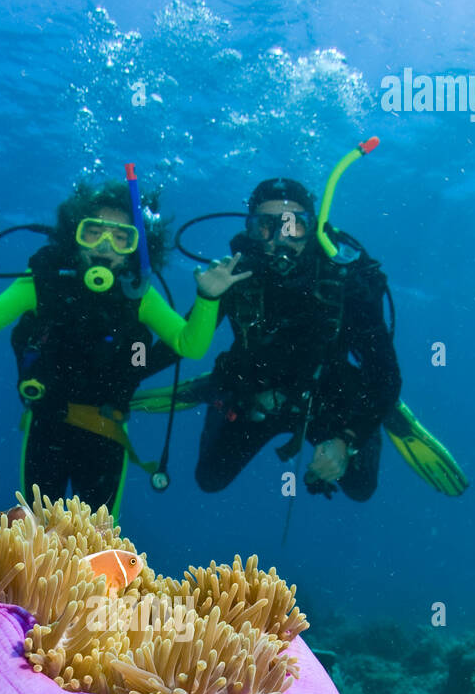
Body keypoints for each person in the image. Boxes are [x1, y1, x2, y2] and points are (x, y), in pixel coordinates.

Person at [0, 179, 250, 517]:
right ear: (74, 232)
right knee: (34, 535)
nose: (105, 245)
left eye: (121, 237)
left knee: (100, 551)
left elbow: (190, 344)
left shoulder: (138, 292)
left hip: (106, 430)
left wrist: (209, 297)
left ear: (136, 246)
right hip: (46, 425)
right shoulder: (42, 280)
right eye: (93, 232)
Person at [146, 177, 402, 501]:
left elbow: (386, 374)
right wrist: (126, 373)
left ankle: (374, 411)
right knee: (209, 479)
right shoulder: (236, 274)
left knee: (361, 487)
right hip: (254, 394)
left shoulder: (345, 281)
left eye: (294, 225)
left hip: (325, 396)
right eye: (265, 226)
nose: (280, 237)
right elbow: (180, 342)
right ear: (252, 230)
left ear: (313, 229)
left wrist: (347, 439)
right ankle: (217, 390)